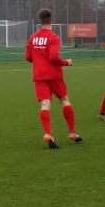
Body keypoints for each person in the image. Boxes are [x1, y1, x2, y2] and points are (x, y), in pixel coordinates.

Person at [25, 9, 82, 148]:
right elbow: (53, 57)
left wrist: (39, 61)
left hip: (39, 75)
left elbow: (28, 57)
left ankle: (48, 134)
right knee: (64, 100)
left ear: (40, 21)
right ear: (52, 20)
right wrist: (66, 62)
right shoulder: (54, 37)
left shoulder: (33, 37)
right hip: (54, 75)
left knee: (45, 104)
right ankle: (72, 132)